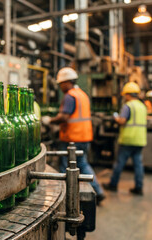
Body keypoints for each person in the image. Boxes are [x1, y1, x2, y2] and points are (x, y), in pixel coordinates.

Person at [42, 67, 105, 203]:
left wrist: (49, 120)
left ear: (66, 82)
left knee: (67, 167)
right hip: (84, 137)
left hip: (72, 139)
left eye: (60, 84)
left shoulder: (70, 96)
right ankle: (97, 191)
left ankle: (64, 196)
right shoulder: (81, 94)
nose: (60, 87)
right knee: (83, 164)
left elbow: (64, 117)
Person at [103, 82, 147, 195]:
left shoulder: (128, 106)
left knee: (119, 163)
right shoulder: (142, 106)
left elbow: (122, 121)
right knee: (138, 165)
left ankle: (113, 184)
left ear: (128, 94)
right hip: (140, 139)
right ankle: (139, 187)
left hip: (128, 139)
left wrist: (116, 117)